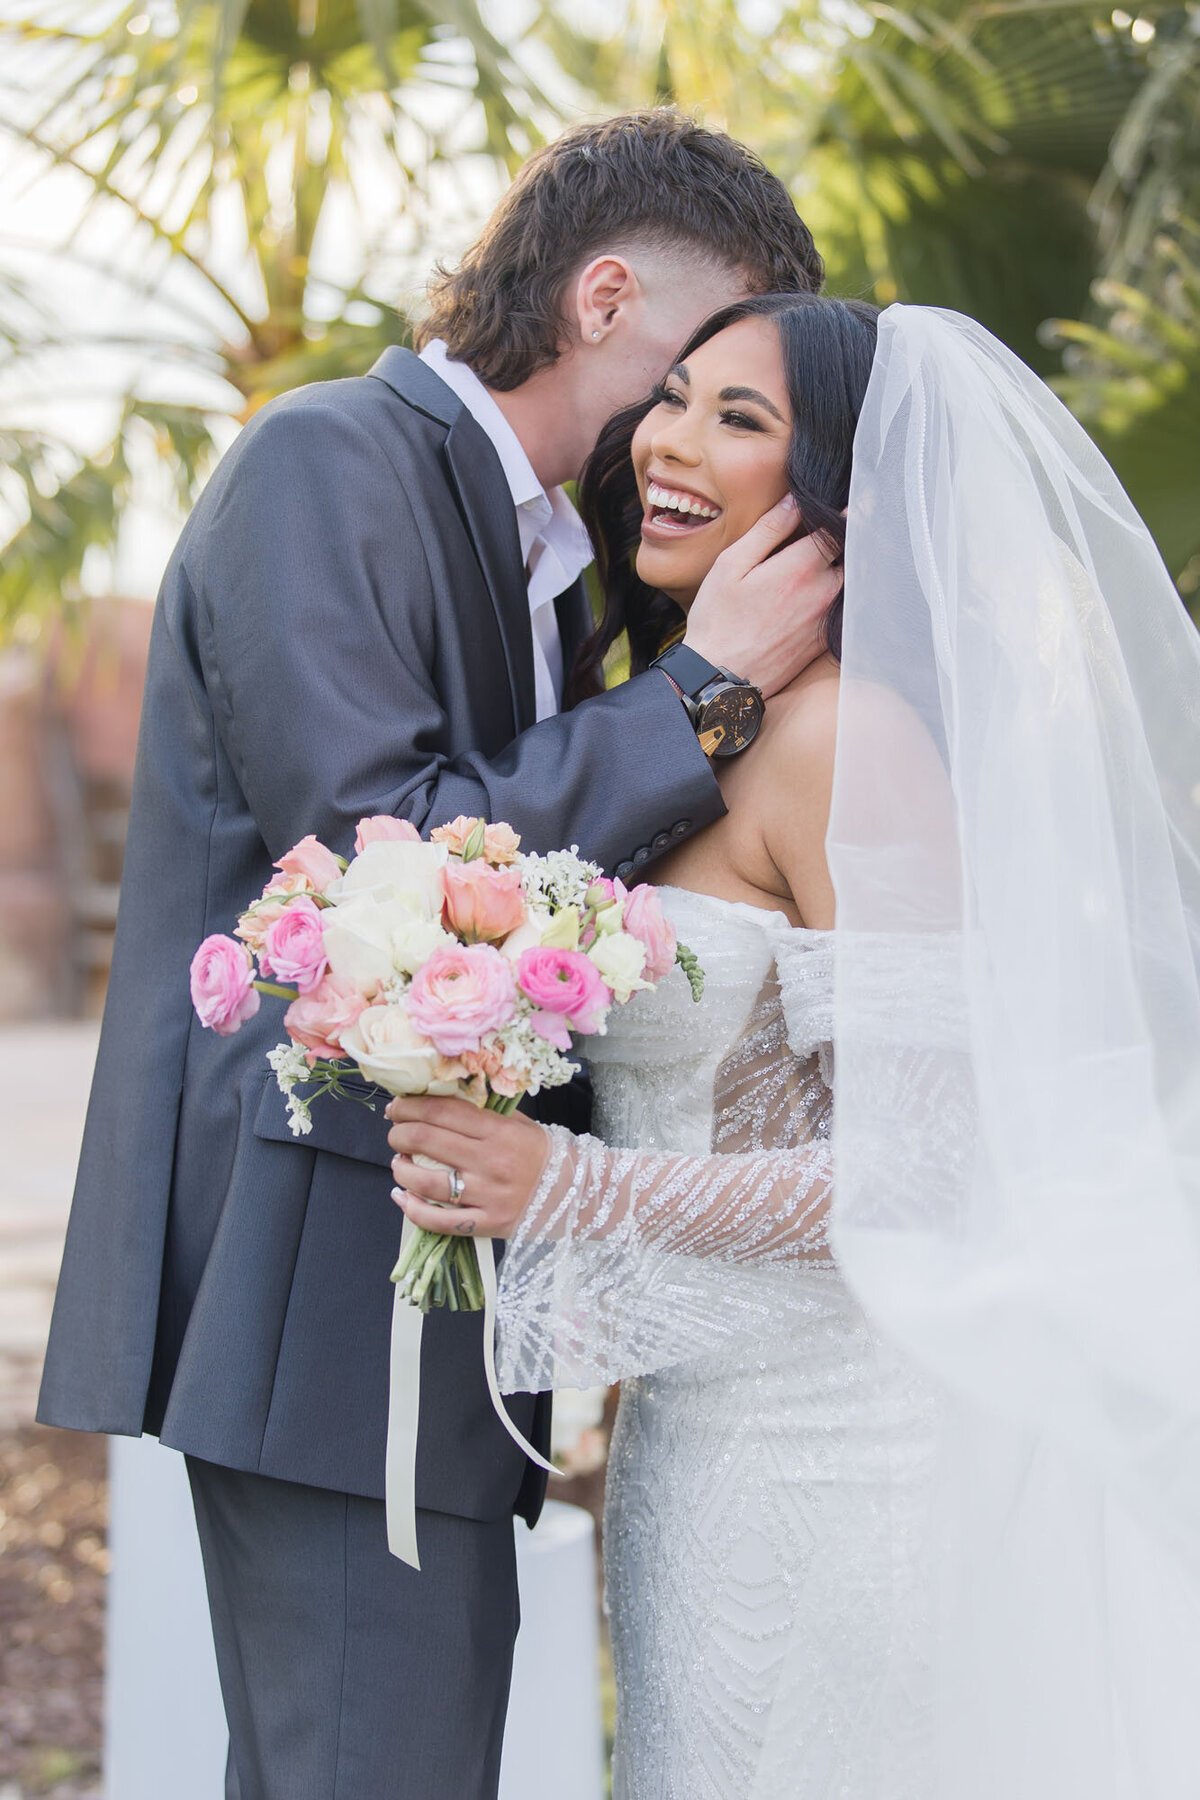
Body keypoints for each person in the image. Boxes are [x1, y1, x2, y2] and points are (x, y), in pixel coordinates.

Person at [37, 116, 843, 1800]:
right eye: (694, 364)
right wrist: (705, 690)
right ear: (606, 296)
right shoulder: (328, 460)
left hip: (454, 1296)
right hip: (333, 1293)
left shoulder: (555, 568)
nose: (697, 427)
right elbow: (378, 845)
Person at [388, 294, 1200, 1797]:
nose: (672, 445)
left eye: (740, 420)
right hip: (698, 1445)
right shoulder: (687, 725)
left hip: (855, 1453)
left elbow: (931, 1163)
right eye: (675, 399)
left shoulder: (843, 742)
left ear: (837, 500)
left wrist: (567, 1190)